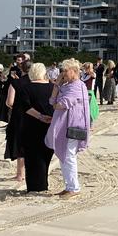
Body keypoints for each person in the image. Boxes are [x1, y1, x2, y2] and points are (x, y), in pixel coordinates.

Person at [46, 58, 90, 199]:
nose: (63, 73)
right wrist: (57, 84)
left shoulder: (77, 86)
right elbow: (52, 101)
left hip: (73, 125)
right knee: (64, 155)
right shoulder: (66, 85)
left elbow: (61, 104)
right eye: (62, 70)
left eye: (66, 70)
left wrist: (56, 100)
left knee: (69, 155)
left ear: (74, 71)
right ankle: (69, 186)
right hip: (64, 124)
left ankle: (73, 187)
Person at [20, 63, 55, 193]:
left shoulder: (26, 88)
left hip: (31, 125)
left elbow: (26, 107)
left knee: (32, 156)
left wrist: (40, 116)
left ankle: (35, 186)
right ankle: (43, 184)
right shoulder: (52, 87)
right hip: (50, 124)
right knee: (46, 154)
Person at [5, 59, 31, 181]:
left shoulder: (16, 83)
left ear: (21, 69)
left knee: (20, 145)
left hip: (20, 115)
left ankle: (20, 174)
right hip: (35, 116)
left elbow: (9, 102)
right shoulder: (41, 82)